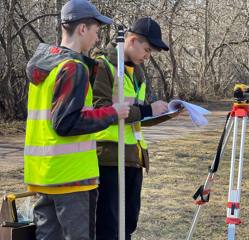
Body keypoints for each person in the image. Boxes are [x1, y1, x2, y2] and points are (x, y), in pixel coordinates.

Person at [24, 0, 129, 239]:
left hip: (44, 176)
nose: (97, 38)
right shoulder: (73, 67)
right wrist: (114, 112)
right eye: (96, 31)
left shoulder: (45, 67)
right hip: (72, 179)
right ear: (82, 29)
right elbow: (66, 123)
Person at [92, 17, 170, 240]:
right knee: (109, 226)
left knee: (128, 224)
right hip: (109, 158)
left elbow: (137, 115)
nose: (148, 56)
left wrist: (165, 113)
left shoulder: (138, 72)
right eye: (146, 50)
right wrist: (147, 110)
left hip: (133, 157)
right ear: (132, 40)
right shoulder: (104, 65)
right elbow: (101, 111)